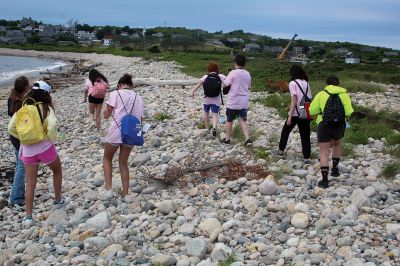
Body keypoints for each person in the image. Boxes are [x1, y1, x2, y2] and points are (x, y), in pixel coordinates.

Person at [8, 81, 69, 227]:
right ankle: (58, 200)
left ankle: (28, 217)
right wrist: (51, 137)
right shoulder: (46, 107)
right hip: (45, 148)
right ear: (46, 93)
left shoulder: (24, 106)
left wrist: (23, 138)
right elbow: (52, 126)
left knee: (30, 183)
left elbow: (11, 127)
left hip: (28, 150)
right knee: (57, 171)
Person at [103, 74, 144, 197]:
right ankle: (125, 193)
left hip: (116, 131)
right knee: (123, 163)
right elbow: (140, 118)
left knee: (107, 158)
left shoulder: (115, 93)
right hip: (131, 133)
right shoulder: (139, 98)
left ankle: (109, 189)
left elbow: (106, 114)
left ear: (119, 85)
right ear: (131, 86)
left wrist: (105, 112)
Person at [309, 76, 354, 188]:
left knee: (324, 151)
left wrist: (320, 116)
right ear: (338, 84)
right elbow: (348, 112)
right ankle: (335, 169)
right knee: (337, 144)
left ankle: (324, 180)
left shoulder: (321, 94)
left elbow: (312, 110)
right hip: (339, 125)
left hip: (324, 124)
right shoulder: (344, 95)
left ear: (327, 83)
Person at [277, 65, 312, 161]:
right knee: (305, 135)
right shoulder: (306, 83)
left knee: (285, 131)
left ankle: (280, 151)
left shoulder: (293, 83)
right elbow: (309, 98)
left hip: (296, 113)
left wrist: (290, 115)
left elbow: (294, 98)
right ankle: (307, 157)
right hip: (305, 112)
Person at [7, 76, 29, 207]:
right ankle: (15, 197)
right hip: (20, 137)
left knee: (19, 165)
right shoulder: (22, 102)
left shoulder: (11, 98)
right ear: (25, 88)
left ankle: (18, 192)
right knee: (21, 166)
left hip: (13, 135)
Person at [221, 54, 252, 145]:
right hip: (243, 102)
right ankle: (247, 139)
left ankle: (227, 139)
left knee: (229, 120)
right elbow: (249, 87)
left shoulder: (233, 73)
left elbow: (225, 84)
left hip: (233, 101)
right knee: (242, 120)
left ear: (235, 63)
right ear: (244, 63)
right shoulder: (247, 73)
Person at [191, 63, 226, 137]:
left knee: (206, 112)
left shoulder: (205, 76)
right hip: (216, 98)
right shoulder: (220, 76)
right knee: (215, 114)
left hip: (207, 99)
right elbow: (229, 82)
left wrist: (193, 91)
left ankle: (207, 128)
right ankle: (214, 128)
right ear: (217, 69)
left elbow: (198, 84)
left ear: (209, 69)